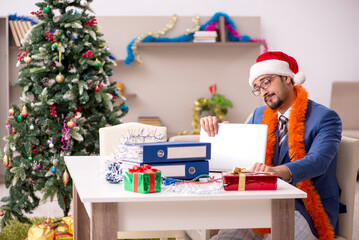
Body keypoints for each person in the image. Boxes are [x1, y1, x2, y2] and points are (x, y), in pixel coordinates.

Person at [201, 51, 343, 240]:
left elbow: (318, 162)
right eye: (257, 88)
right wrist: (221, 134)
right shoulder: (258, 115)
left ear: (287, 78)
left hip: (305, 209)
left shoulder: (325, 117)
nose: (263, 92)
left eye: (266, 82)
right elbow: (244, 156)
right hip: (262, 203)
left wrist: (276, 171)